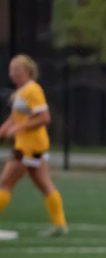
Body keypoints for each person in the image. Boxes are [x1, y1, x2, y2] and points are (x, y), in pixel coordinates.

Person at [0, 54, 68, 236]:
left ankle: (60, 224)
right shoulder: (21, 92)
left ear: (27, 71)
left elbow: (45, 118)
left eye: (16, 69)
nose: (12, 73)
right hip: (34, 147)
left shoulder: (33, 89)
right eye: (11, 69)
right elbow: (15, 118)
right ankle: (60, 225)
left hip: (28, 147)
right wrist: (5, 129)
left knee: (5, 183)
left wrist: (19, 127)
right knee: (45, 185)